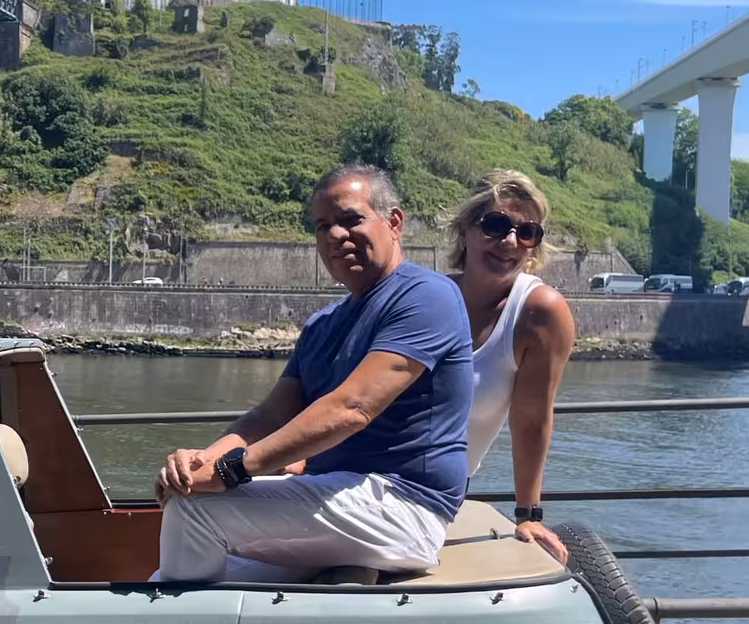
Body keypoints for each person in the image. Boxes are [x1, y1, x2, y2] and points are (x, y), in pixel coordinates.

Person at [152, 164, 473, 582]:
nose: (335, 236)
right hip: (337, 497)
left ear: (394, 222)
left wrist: (232, 470)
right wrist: (199, 463)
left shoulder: (426, 296)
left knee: (194, 512)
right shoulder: (323, 324)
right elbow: (269, 417)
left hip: (405, 505)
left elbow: (352, 408)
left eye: (350, 219)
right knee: (169, 567)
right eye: (323, 226)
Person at [448, 170, 576, 563]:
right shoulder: (431, 296)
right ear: (464, 231)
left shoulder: (539, 312)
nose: (509, 242)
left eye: (526, 232)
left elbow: (531, 417)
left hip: (431, 488)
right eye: (496, 224)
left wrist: (528, 515)